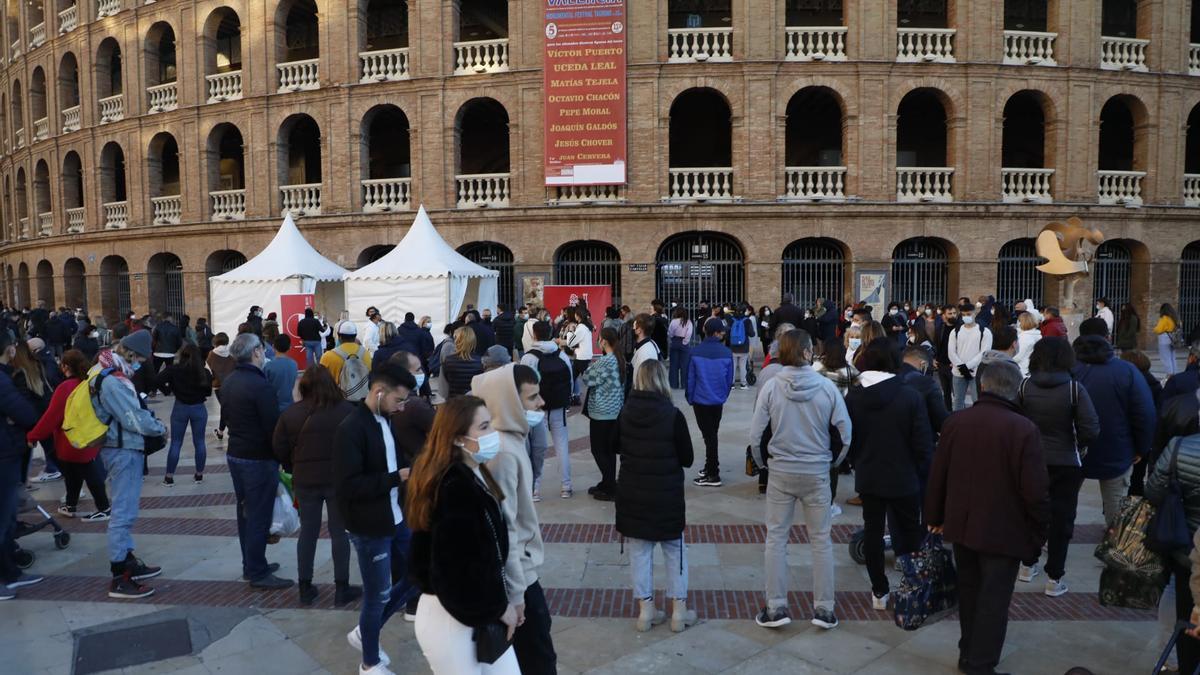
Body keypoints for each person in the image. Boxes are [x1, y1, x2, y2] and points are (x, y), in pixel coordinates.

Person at [926, 359, 1049, 675]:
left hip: (963, 526)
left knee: (970, 593)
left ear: (982, 386)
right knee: (992, 601)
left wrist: (935, 515)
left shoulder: (956, 422)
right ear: (1015, 389)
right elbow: (1034, 491)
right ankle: (980, 664)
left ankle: (969, 653)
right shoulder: (1023, 429)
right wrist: (1038, 532)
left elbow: (937, 474)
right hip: (1002, 531)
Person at [407, 396, 520, 675]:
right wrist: (496, 608)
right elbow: (451, 573)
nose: (492, 434)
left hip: (471, 611)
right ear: (458, 439)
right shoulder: (452, 487)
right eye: (483, 427)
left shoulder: (471, 474)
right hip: (451, 618)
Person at [749, 329, 852, 630]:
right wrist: (831, 463)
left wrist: (763, 465)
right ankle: (824, 609)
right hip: (817, 471)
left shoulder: (771, 386)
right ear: (808, 352)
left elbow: (755, 436)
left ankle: (776, 607)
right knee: (821, 541)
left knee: (776, 540)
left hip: (781, 471)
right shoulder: (826, 388)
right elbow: (845, 434)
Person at [332, 362, 418, 674]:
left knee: (418, 574)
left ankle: (365, 632)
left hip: (396, 519)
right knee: (377, 594)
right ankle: (369, 663)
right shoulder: (351, 428)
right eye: (399, 400)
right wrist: (398, 477)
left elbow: (391, 460)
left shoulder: (386, 419)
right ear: (379, 392)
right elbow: (348, 486)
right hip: (369, 527)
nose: (402, 407)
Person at [472, 364, 556, 673]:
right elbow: (505, 530)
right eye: (532, 397)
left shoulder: (509, 440)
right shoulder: (503, 451)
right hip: (519, 578)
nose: (541, 403)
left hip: (521, 572)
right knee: (538, 660)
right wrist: (518, 594)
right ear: (509, 402)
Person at [846, 339, 933, 609]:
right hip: (904, 476)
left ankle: (879, 591)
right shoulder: (909, 395)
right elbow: (922, 442)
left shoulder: (854, 396)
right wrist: (923, 471)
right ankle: (912, 586)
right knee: (909, 534)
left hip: (870, 474)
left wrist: (858, 460)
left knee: (872, 532)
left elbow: (849, 436)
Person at [614, 360, 697, 632]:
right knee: (675, 552)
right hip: (666, 495)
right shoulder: (673, 415)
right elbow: (687, 458)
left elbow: (616, 446)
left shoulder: (625, 413)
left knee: (640, 553)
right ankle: (678, 612)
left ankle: (645, 611)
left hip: (633, 494)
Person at [1014, 337, 1100, 595]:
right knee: (1062, 519)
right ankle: (1055, 577)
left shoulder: (1025, 386)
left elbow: (1015, 421)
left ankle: (1027, 565)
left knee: (1030, 512)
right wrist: (1079, 446)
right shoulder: (1074, 389)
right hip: (1066, 462)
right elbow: (1091, 428)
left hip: (1031, 460)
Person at [273, 365, 361, 607]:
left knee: (308, 533)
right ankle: (341, 587)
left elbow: (278, 447)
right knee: (339, 532)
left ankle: (305, 586)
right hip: (337, 480)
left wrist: (292, 464)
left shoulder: (291, 414)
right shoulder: (347, 411)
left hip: (305, 480)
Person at [93, 330, 169, 598]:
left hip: (123, 447)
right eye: (140, 359)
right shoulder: (113, 380)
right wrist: (159, 427)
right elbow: (133, 419)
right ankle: (119, 575)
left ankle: (127, 560)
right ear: (132, 354)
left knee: (126, 511)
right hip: (122, 450)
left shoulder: (110, 371)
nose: (141, 365)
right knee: (123, 513)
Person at [221, 333, 290, 590]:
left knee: (246, 512)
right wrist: (283, 456)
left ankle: (252, 563)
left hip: (237, 453)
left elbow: (227, 417)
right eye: (262, 349)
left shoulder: (230, 381)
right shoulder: (259, 386)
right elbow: (273, 427)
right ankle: (257, 570)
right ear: (256, 352)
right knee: (259, 514)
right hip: (257, 458)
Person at [1073, 317, 1155, 526]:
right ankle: (1114, 547)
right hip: (1116, 447)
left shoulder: (1069, 370)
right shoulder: (1126, 371)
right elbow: (1144, 413)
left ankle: (1057, 544)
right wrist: (1141, 447)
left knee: (1064, 501)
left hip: (1073, 449)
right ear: (1108, 338)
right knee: (1116, 506)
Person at [27, 349, 109, 519]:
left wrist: (33, 436)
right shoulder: (88, 383)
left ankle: (103, 507)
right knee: (75, 473)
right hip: (90, 435)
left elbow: (52, 417)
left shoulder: (65, 387)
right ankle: (71, 505)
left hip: (71, 439)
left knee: (84, 473)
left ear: (64, 366)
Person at [1146, 421, 1200, 675]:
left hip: (1182, 545)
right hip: (1187, 548)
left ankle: (1179, 663)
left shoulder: (1179, 446)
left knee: (1184, 608)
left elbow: (1154, 491)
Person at [0, 331, 39, 599]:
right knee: (3, 517)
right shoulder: (2, 380)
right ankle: (5, 577)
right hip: (4, 453)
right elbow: (27, 414)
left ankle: (10, 572)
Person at [521, 321, 574, 500]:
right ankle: (566, 486)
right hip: (558, 405)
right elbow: (571, 379)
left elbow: (524, 385)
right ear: (551, 333)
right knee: (562, 445)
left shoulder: (529, 357)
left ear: (534, 335)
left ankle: (535, 489)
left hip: (537, 408)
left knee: (536, 449)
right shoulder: (561, 354)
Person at [156, 344, 213, 485]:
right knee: (199, 442)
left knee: (176, 442)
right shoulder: (204, 373)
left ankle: (169, 477)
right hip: (199, 407)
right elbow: (208, 392)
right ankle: (199, 475)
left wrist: (168, 390)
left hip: (180, 406)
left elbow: (156, 380)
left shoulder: (173, 370)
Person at [688, 317, 734, 487]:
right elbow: (729, 380)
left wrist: (690, 397)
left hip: (701, 400)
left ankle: (713, 474)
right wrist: (723, 395)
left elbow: (691, 378)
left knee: (709, 436)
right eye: (721, 331)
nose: (723, 334)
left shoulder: (695, 352)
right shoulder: (726, 353)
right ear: (715, 333)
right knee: (711, 434)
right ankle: (709, 467)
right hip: (717, 401)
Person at [581, 327, 625, 500]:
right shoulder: (619, 359)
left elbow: (587, 378)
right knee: (609, 450)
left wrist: (590, 371)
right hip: (614, 411)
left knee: (598, 450)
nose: (598, 341)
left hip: (602, 412)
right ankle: (608, 482)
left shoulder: (606, 361)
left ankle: (610, 487)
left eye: (599, 339)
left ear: (604, 341)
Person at [13, 341, 54, 483]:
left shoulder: (20, 374)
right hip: (45, 414)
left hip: (36, 419)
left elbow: (24, 401)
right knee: (53, 451)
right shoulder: (38, 366)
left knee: (50, 451)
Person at [948, 302, 993, 411]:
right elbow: (951, 352)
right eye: (963, 315)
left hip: (976, 373)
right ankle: (957, 425)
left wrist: (967, 367)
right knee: (957, 401)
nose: (965, 317)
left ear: (974, 313)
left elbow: (984, 352)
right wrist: (961, 367)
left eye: (968, 314)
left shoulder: (984, 332)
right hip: (958, 372)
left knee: (977, 401)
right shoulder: (955, 331)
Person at [899, 344, 950, 435]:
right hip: (918, 440)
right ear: (923, 364)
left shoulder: (888, 377)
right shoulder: (926, 383)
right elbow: (941, 421)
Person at [321, 320, 373, 397]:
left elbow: (321, 381)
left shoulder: (328, 356)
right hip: (362, 398)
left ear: (339, 336)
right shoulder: (366, 353)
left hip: (337, 399)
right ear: (355, 336)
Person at [442, 326, 483, 399]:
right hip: (473, 402)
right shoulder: (480, 361)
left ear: (457, 341)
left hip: (454, 401)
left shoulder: (448, 360)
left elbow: (445, 382)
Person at [264, 334, 299, 412]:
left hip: (274, 406)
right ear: (289, 347)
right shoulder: (294, 364)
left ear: (273, 347)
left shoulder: (268, 366)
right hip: (290, 404)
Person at [729, 305, 757, 389]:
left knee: (733, 366)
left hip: (733, 347)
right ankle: (743, 384)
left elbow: (727, 332)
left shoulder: (731, 320)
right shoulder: (747, 320)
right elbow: (752, 334)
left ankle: (732, 384)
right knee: (743, 366)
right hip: (744, 347)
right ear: (745, 311)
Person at [667, 307, 693, 390]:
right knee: (685, 365)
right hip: (683, 342)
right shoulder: (688, 322)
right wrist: (685, 342)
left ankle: (673, 384)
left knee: (673, 365)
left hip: (675, 341)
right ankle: (684, 384)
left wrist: (672, 339)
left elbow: (670, 332)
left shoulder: (673, 321)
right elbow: (689, 333)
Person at [151, 313, 183, 379]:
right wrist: (174, 350)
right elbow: (179, 342)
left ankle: (153, 386)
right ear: (170, 318)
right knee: (170, 372)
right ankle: (170, 385)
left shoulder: (158, 327)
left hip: (158, 352)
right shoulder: (175, 328)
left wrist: (154, 349)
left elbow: (153, 340)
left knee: (155, 371)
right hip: (170, 353)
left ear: (163, 318)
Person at [1157, 303, 1183, 376]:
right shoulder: (1176, 317)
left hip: (1164, 339)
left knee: (1165, 358)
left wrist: (1155, 329)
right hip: (1173, 339)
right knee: (1172, 357)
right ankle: (1174, 374)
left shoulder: (1164, 318)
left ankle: (1170, 375)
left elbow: (1158, 329)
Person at [1014, 311, 1042, 376]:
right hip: (1031, 368)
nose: (1018, 323)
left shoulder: (1025, 337)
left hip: (1023, 369)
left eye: (1019, 321)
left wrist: (1008, 359)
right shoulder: (1037, 335)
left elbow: (1019, 355)